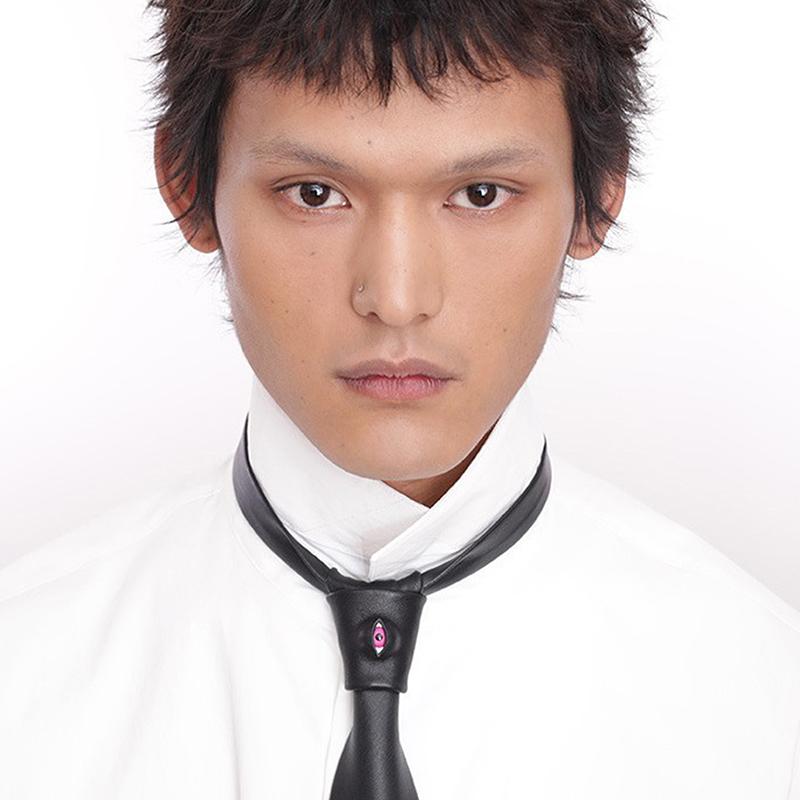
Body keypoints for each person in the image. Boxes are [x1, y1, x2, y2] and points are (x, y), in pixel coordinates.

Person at [1, 0, 798, 797]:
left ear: (601, 190)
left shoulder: (761, 700)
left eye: (480, 194)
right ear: (187, 182)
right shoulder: (24, 677)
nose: (397, 298)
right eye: (314, 193)